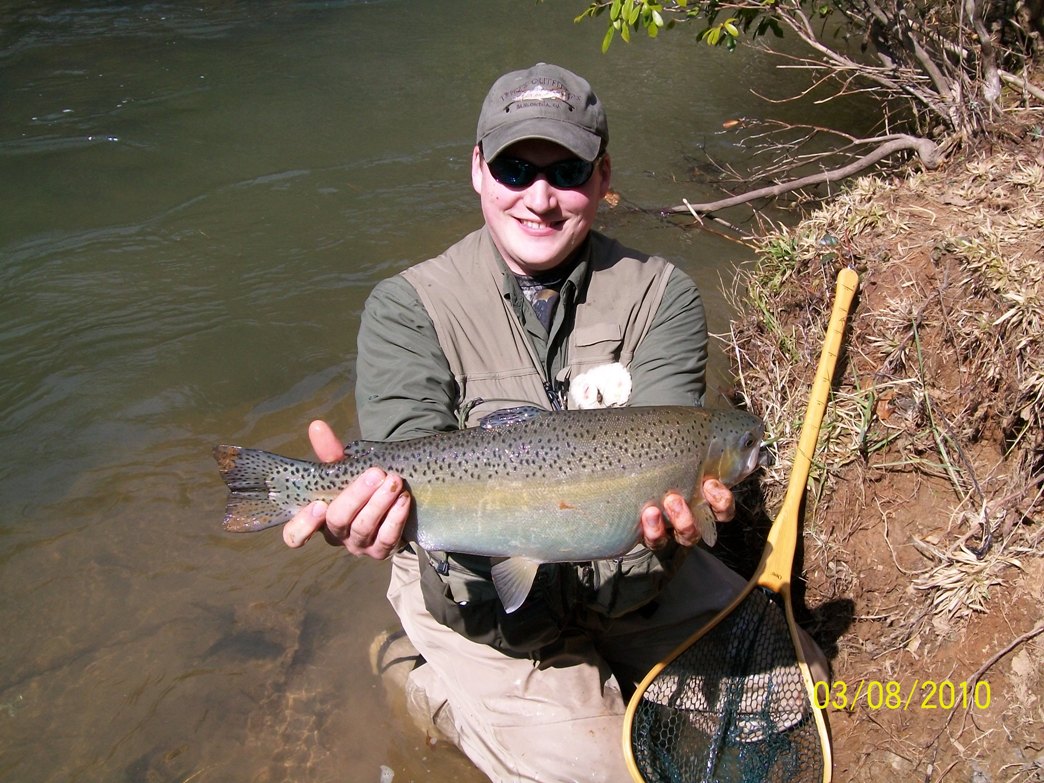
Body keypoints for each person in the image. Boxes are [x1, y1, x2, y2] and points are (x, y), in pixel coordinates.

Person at [282, 63, 817, 782]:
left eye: (565, 169)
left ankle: (608, 678)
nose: (539, 197)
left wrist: (691, 516)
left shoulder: (662, 295)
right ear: (477, 170)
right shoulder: (407, 307)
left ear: (602, 178)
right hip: (486, 610)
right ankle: (419, 677)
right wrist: (356, 508)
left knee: (797, 690)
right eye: (513, 167)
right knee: (600, 774)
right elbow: (400, 463)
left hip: (637, 581)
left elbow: (673, 442)